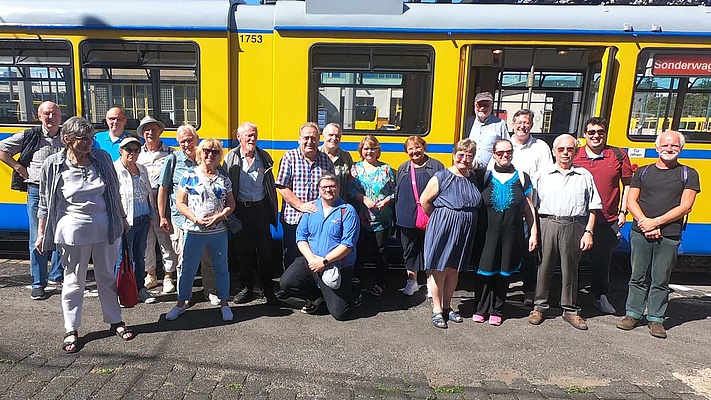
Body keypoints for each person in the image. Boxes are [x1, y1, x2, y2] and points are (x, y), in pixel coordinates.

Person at [35, 116, 135, 353]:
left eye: (91, 137)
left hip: (105, 226)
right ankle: (71, 328)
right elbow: (44, 203)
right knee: (73, 280)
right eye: (84, 138)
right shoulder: (52, 164)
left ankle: (115, 320)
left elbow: (114, 192)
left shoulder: (101, 158)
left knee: (106, 276)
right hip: (72, 231)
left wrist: (122, 219)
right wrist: (41, 234)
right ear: (67, 140)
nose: (90, 142)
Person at [617, 130, 700, 339]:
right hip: (641, 232)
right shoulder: (643, 172)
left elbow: (686, 206)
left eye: (674, 146)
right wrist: (645, 222)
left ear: (681, 149)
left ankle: (656, 319)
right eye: (665, 145)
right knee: (637, 276)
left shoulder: (689, 174)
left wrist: (657, 222)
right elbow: (631, 201)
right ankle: (633, 314)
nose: (669, 149)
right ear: (657, 147)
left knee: (660, 278)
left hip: (668, 234)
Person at [529, 134, 602, 331]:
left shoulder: (584, 175)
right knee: (544, 266)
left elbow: (594, 207)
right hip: (547, 223)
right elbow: (531, 207)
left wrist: (589, 231)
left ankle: (570, 309)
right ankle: (539, 306)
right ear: (554, 151)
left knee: (570, 268)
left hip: (574, 225)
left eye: (570, 149)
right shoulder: (541, 174)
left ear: (576, 151)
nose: (565, 153)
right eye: (561, 149)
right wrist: (534, 231)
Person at [165, 138, 236, 322]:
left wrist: (220, 217)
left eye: (214, 151)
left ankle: (224, 304)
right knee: (188, 268)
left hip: (218, 232)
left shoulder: (223, 178)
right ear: (200, 153)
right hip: (193, 231)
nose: (210, 155)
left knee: (221, 268)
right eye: (206, 151)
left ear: (219, 155)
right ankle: (181, 303)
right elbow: (180, 202)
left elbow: (231, 204)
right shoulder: (188, 175)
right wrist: (195, 218)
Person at [0, 101, 63, 300]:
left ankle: (56, 275)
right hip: (37, 191)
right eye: (46, 114)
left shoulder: (66, 135)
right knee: (38, 237)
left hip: (62, 192)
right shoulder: (31, 135)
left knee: (64, 233)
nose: (50, 117)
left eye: (54, 113)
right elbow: (2, 149)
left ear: (60, 116)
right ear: (39, 116)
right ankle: (38, 282)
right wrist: (18, 168)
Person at [278, 174, 360, 320]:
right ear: (319, 190)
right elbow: (301, 238)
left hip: (336, 264)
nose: (328, 190)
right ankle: (319, 296)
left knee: (340, 314)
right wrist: (312, 260)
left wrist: (323, 262)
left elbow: (347, 245)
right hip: (312, 260)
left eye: (332, 186)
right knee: (286, 283)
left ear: (338, 188)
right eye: (324, 187)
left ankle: (353, 289)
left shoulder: (347, 211)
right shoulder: (312, 209)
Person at [573, 117, 633, 314]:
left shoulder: (618, 155)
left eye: (600, 132)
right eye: (591, 132)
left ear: (605, 134)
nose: (596, 136)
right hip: (578, 219)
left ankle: (600, 296)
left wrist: (623, 211)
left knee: (602, 262)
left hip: (606, 220)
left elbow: (628, 185)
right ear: (584, 135)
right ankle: (572, 298)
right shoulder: (575, 154)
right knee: (574, 260)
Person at [474, 139, 538, 325]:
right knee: (483, 272)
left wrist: (533, 233)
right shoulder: (484, 176)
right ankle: (481, 308)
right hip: (486, 234)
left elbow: (529, 208)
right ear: (494, 154)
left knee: (504, 273)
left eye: (508, 152)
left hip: (511, 234)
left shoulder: (522, 177)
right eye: (500, 152)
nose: (505, 155)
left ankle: (497, 310)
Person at [421, 139, 482, 329]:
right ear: (454, 155)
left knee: (454, 269)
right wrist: (441, 219)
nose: (464, 159)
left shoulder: (472, 177)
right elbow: (425, 201)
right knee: (440, 268)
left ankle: (448, 307)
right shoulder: (442, 176)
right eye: (461, 154)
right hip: (444, 227)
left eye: (469, 155)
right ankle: (437, 309)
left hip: (464, 230)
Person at [158, 125, 219, 305]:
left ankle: (210, 291)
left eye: (190, 140)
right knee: (184, 260)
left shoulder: (207, 157)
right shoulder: (173, 160)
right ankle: (184, 295)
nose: (187, 144)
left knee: (208, 259)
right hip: (181, 218)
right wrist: (162, 216)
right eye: (183, 141)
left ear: (196, 139)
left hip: (207, 219)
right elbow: (164, 188)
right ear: (178, 142)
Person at [223, 122, 279, 304]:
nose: (252, 138)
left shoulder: (264, 157)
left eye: (254, 135)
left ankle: (268, 290)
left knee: (265, 250)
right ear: (239, 137)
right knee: (242, 251)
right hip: (240, 209)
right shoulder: (230, 157)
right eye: (248, 135)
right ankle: (247, 288)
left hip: (260, 208)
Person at [506, 109, 553, 306]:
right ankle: (503, 288)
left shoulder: (541, 147)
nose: (522, 126)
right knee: (507, 248)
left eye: (526, 123)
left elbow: (547, 176)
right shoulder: (505, 145)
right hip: (507, 208)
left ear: (531, 125)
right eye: (519, 122)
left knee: (529, 251)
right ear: (513, 124)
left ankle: (528, 290)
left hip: (530, 207)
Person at [275, 122, 335, 270]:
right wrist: (301, 206)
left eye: (313, 138)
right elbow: (282, 186)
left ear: (319, 140)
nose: (310, 142)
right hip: (293, 218)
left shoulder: (326, 161)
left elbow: (331, 187)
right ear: (299, 139)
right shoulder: (289, 157)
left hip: (317, 219)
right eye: (306, 138)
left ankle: (311, 287)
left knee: (315, 254)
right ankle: (289, 287)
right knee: (291, 254)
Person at [395, 136, 445, 296]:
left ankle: (431, 282)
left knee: (430, 249)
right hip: (406, 215)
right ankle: (412, 281)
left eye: (418, 147)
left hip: (430, 215)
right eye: (410, 148)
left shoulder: (436, 166)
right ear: (406, 151)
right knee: (409, 249)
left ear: (424, 147)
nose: (414, 151)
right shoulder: (403, 168)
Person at [348, 135, 396, 296]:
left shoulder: (386, 169)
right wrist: (363, 198)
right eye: (366, 148)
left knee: (380, 252)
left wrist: (387, 200)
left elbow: (395, 190)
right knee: (359, 251)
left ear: (378, 150)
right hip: (361, 218)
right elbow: (350, 190)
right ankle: (356, 281)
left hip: (382, 219)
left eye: (372, 148)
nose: (369, 152)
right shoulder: (355, 169)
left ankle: (380, 282)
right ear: (361, 150)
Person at [135, 115, 178, 293]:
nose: (150, 133)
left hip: (164, 201)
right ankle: (151, 274)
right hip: (143, 201)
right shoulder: (137, 152)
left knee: (165, 238)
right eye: (146, 130)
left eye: (153, 129)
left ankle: (168, 275)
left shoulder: (171, 152)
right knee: (147, 240)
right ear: (142, 133)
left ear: (160, 131)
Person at [114, 136, 156, 305]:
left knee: (140, 257)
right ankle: (120, 292)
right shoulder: (114, 169)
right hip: (126, 222)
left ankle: (139, 289)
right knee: (123, 258)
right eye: (128, 150)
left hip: (143, 219)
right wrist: (122, 219)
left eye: (136, 150)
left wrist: (151, 216)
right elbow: (114, 197)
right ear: (121, 151)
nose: (132, 153)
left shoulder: (142, 169)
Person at [465, 92, 509, 167]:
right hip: (470, 170)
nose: (482, 108)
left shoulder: (500, 123)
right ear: (475, 106)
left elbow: (507, 146)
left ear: (491, 106)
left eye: (486, 105)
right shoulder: (468, 122)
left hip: (491, 172)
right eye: (479, 105)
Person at [319, 123, 354, 202]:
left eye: (337, 136)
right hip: (319, 206)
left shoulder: (346, 157)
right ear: (323, 136)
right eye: (330, 135)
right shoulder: (316, 154)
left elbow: (351, 182)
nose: (334, 138)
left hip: (340, 205)